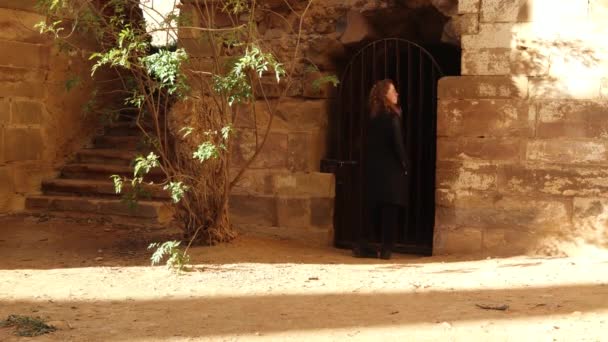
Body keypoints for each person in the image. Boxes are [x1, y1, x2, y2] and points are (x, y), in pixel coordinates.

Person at [353, 79, 408, 260]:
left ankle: (363, 245)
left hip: (373, 168)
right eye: (393, 91)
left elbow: (361, 142)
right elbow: (397, 143)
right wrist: (404, 164)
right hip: (390, 169)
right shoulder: (392, 117)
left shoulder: (371, 116)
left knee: (371, 207)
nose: (397, 94)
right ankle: (386, 248)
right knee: (390, 209)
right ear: (386, 94)